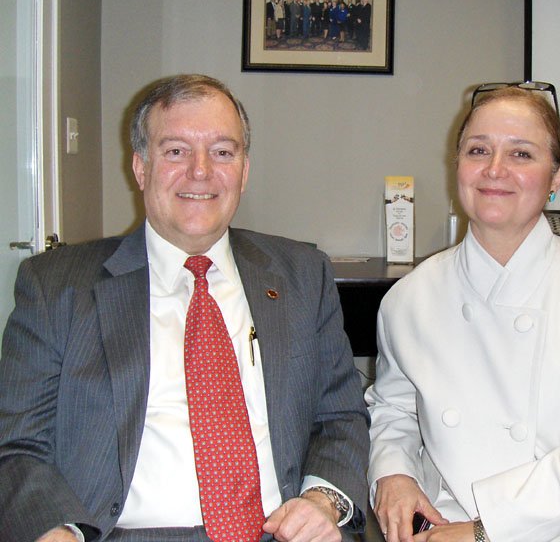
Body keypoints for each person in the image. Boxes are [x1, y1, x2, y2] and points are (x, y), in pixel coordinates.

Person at [0, 74, 369, 542]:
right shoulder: (56, 286)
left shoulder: (302, 275)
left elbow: (341, 417)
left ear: (244, 169)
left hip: (281, 532)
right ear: (140, 167)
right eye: (175, 151)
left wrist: (323, 501)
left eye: (222, 152)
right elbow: (16, 446)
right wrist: (56, 530)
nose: (201, 171)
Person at [365, 83, 560, 541]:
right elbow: (394, 410)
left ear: (558, 176)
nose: (494, 170)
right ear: (458, 166)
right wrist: (394, 474)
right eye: (478, 150)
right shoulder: (409, 300)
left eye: (522, 154)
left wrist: (487, 531)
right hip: (449, 519)